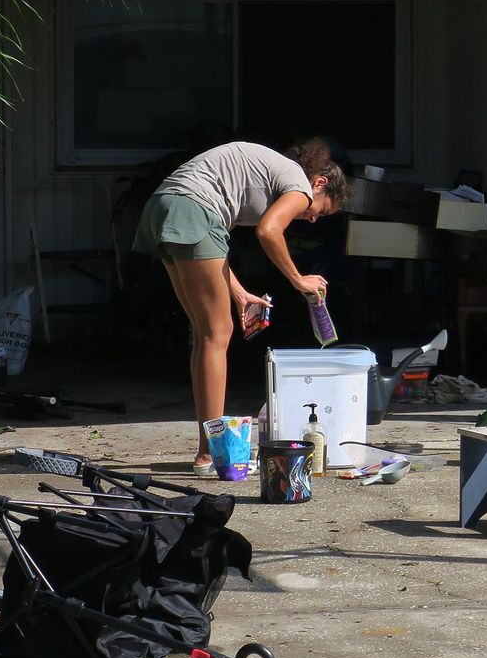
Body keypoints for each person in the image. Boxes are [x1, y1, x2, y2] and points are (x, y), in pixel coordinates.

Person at [132, 138, 349, 475]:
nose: (312, 218)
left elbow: (210, 243)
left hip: (163, 206)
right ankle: (210, 454)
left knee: (207, 334)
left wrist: (239, 293)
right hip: (191, 208)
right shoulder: (298, 185)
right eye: (321, 210)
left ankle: (208, 448)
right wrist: (299, 279)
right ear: (319, 184)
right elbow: (269, 231)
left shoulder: (264, 175)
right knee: (218, 333)